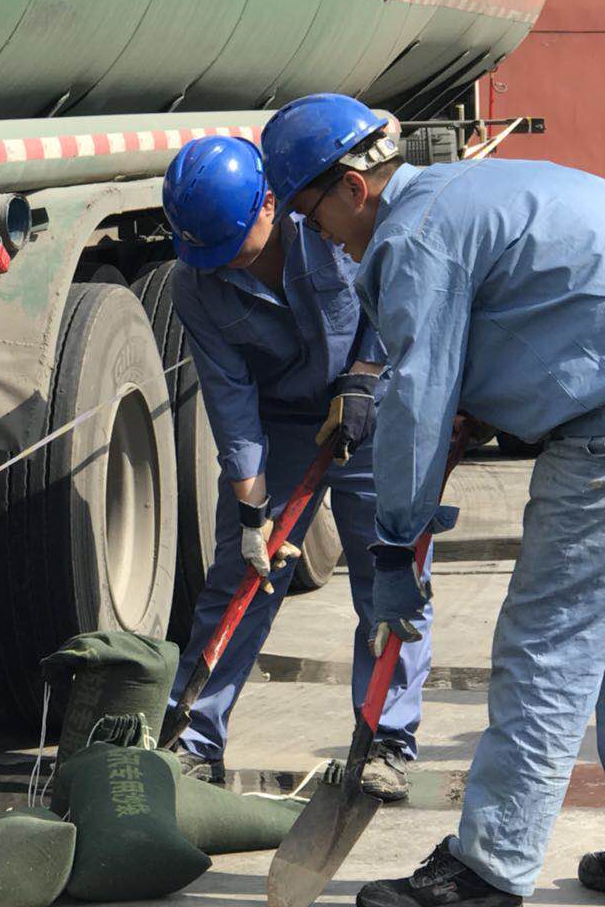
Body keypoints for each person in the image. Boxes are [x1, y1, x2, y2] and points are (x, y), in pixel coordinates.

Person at [262, 93, 605, 907]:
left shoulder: (411, 237)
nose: (314, 233)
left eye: (308, 210)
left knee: (547, 645)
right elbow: (521, 313)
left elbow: (417, 401)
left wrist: (395, 546)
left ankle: (489, 866)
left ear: (353, 188)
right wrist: (488, 399)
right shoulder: (462, 193)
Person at [160, 133, 433, 802]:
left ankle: (384, 740)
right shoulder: (196, 284)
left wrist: (367, 378)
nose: (231, 269)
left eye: (241, 252)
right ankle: (194, 739)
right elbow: (228, 393)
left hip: (372, 404)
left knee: (390, 572)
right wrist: (253, 505)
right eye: (215, 259)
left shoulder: (332, 223)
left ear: (271, 206)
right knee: (242, 577)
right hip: (283, 421)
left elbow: (391, 288)